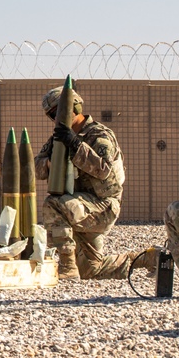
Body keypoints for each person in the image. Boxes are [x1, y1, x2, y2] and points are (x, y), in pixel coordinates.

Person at [34, 86, 156, 279]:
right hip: (78, 206)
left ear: (76, 107)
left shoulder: (99, 134)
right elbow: (37, 169)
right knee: (91, 269)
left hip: (103, 206)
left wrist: (75, 145)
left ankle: (67, 265)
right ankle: (147, 259)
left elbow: (103, 169)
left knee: (52, 204)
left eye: (60, 111)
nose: (56, 117)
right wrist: (51, 162)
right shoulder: (57, 139)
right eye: (52, 115)